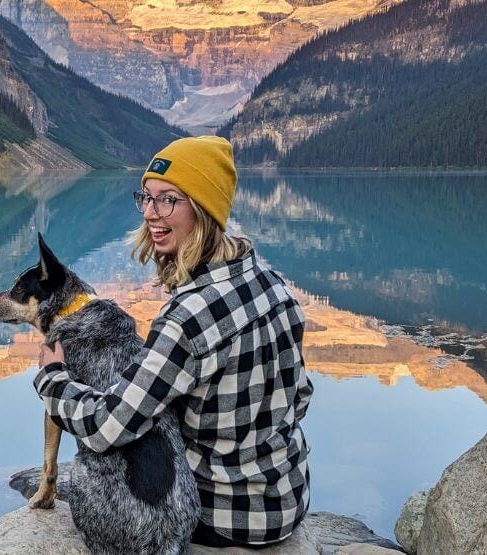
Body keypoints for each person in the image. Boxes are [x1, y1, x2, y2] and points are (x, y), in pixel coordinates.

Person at [36, 136, 313, 548]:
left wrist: (53, 379)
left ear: (203, 208)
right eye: (146, 198)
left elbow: (109, 428)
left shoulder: (186, 318)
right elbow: (301, 396)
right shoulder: (273, 286)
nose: (151, 213)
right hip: (289, 500)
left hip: (221, 516)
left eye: (169, 200)